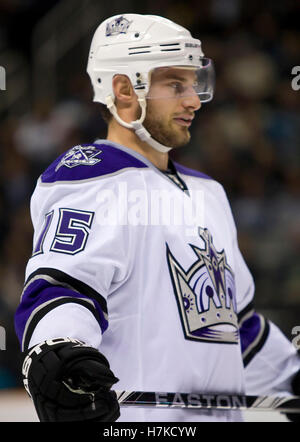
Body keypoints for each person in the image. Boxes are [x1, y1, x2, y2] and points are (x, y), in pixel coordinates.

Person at [15, 13, 300, 422]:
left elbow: (237, 328)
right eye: (175, 84)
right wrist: (58, 351)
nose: (193, 100)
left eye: (195, 83)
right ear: (124, 90)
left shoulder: (209, 192)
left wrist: (291, 377)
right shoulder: (96, 176)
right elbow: (62, 289)